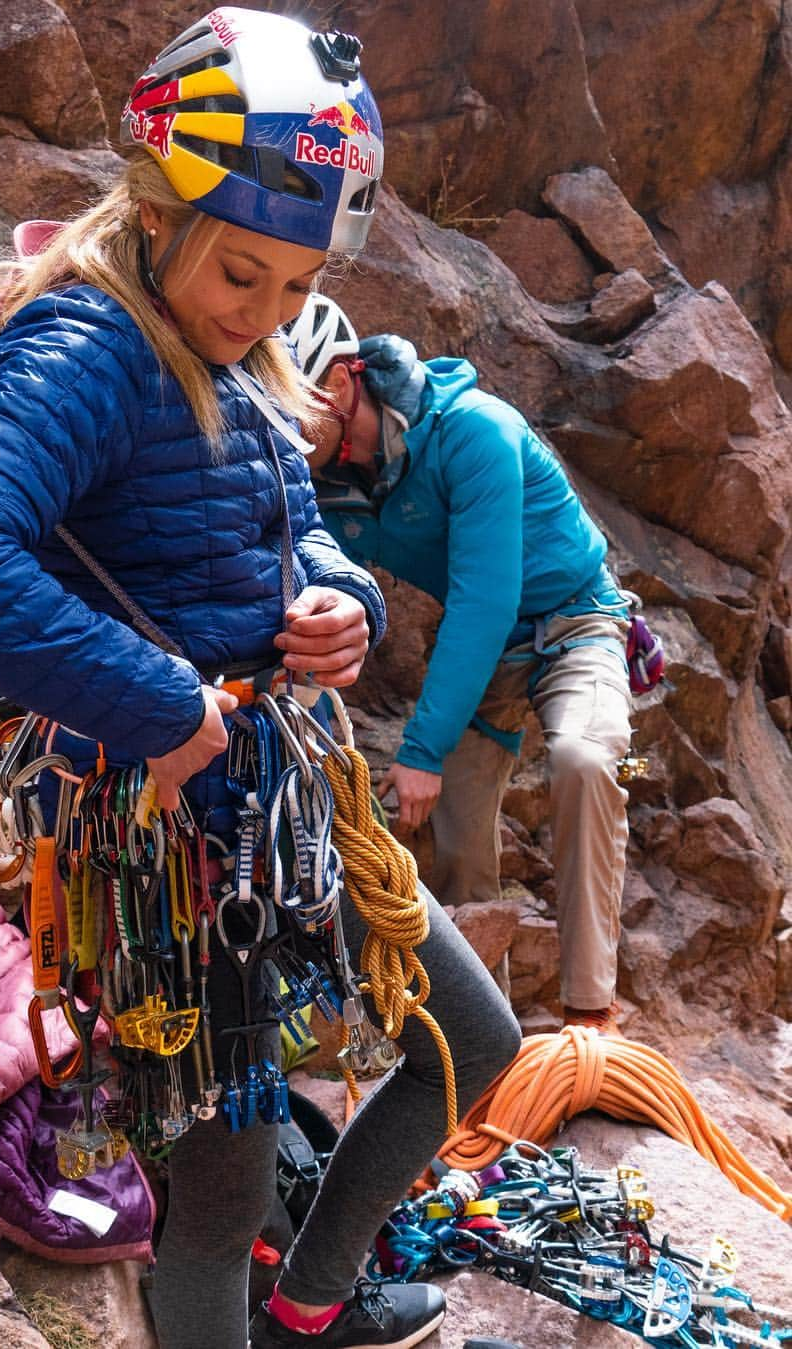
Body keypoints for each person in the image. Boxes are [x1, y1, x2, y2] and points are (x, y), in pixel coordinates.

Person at [0, 11, 520, 1348]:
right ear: (157, 205)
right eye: (242, 273)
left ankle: (309, 1307)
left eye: (294, 289)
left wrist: (335, 601)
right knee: (215, 1203)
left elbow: (300, 524)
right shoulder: (90, 350)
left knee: (469, 1040)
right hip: (170, 845)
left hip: (280, 792)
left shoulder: (237, 356)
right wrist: (163, 705)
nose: (265, 314)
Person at [289, 294, 634, 1034]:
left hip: (576, 619)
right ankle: (489, 1037)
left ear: (345, 385)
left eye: (293, 408)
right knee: (455, 830)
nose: (282, 430)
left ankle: (590, 1013)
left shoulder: (476, 430)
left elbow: (485, 596)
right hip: (490, 653)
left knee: (582, 756)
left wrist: (422, 749)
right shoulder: (328, 488)